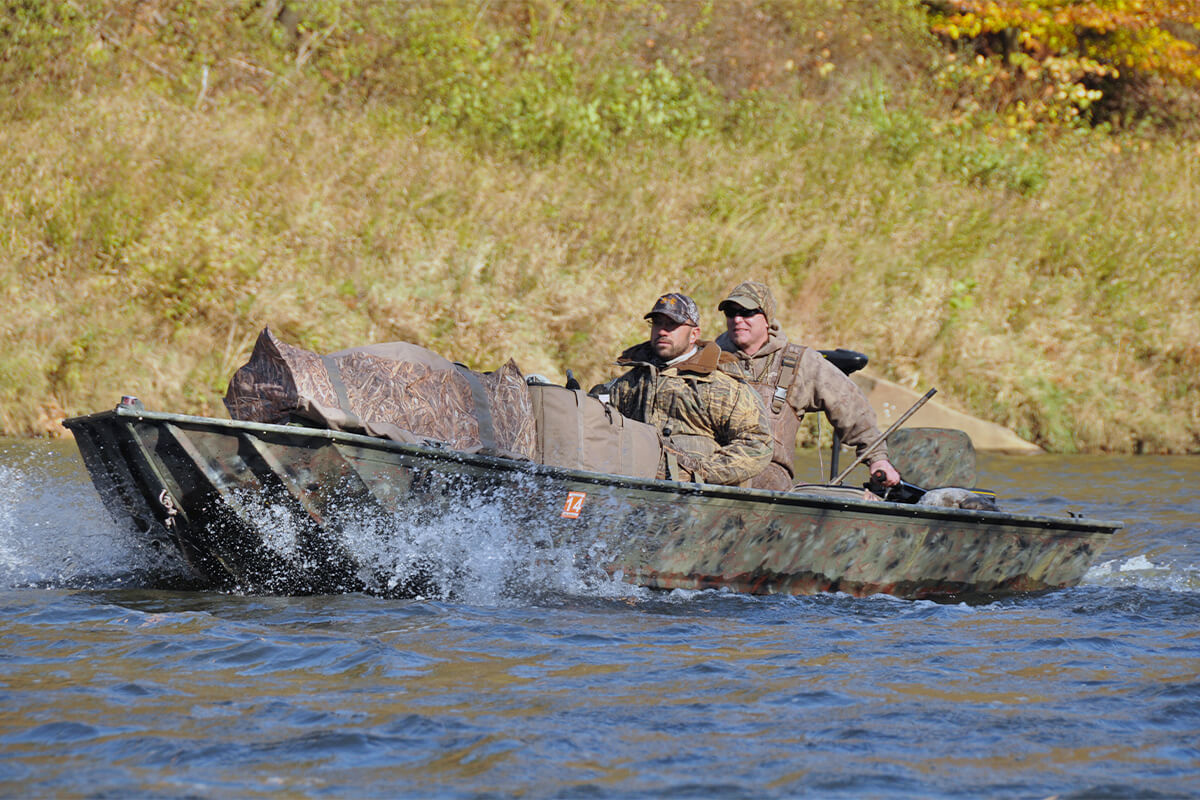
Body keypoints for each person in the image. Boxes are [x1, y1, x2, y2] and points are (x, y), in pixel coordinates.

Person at [714, 281, 901, 492]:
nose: (737, 319)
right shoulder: (708, 360)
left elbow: (850, 405)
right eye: (731, 312)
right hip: (712, 474)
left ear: (767, 318)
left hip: (769, 481)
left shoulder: (800, 362)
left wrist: (877, 458)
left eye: (747, 312)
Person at [602, 292, 772, 487]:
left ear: (694, 334)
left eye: (672, 325)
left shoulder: (724, 386)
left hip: (703, 502)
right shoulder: (630, 382)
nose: (663, 331)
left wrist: (698, 473)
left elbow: (757, 444)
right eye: (657, 323)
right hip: (636, 494)